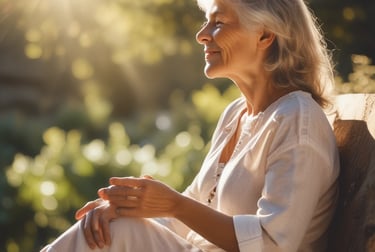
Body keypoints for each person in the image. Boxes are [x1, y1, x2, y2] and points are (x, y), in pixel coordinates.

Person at [41, 0, 340, 251]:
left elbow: (273, 243)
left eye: (218, 22)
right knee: (109, 226)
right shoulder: (236, 114)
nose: (202, 35)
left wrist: (173, 204)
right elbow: (187, 215)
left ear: (265, 35)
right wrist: (123, 209)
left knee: (117, 233)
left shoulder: (297, 118)